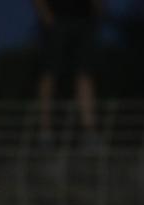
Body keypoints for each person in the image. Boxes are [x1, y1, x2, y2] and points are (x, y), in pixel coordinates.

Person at [34, 0, 101, 144]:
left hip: (84, 18)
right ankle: (45, 131)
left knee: (85, 73)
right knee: (49, 74)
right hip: (56, 17)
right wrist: (45, 14)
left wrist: (98, 10)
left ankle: (89, 131)